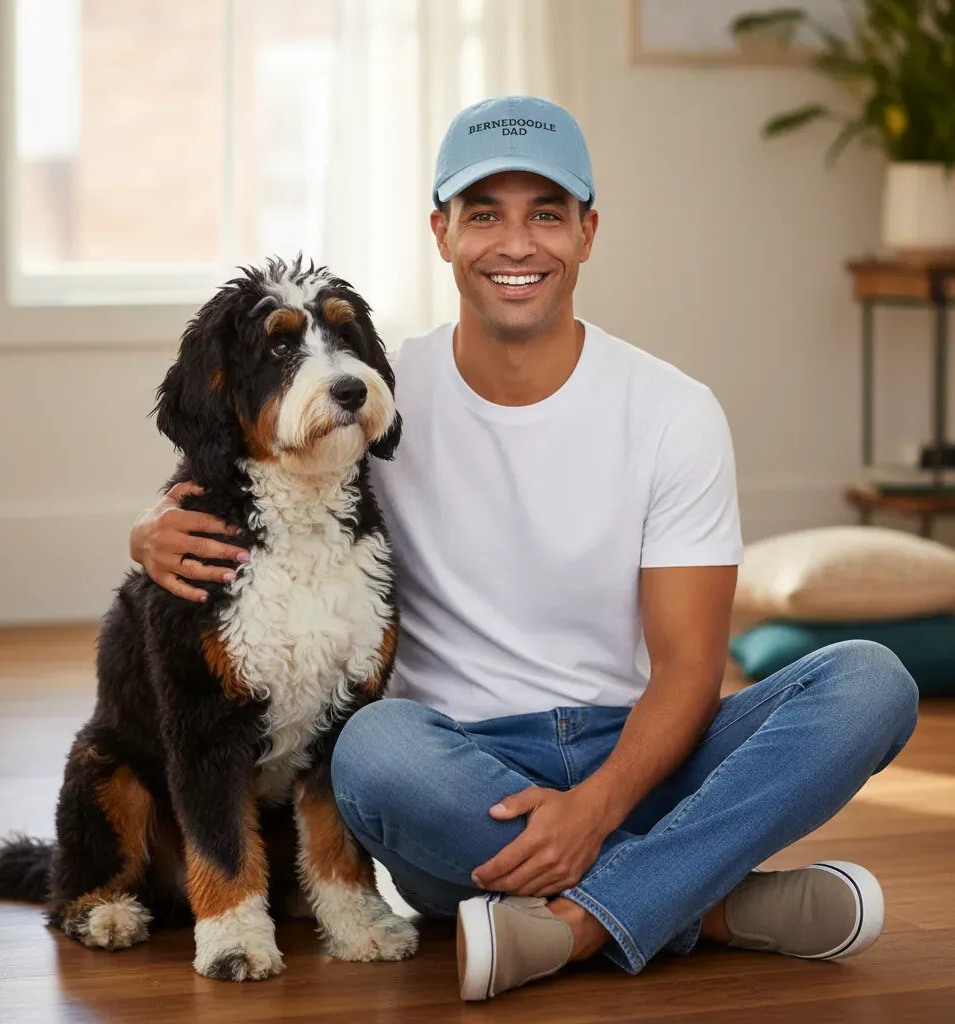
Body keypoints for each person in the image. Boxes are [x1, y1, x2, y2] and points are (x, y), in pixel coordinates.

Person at [130, 95, 919, 1001]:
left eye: (546, 214)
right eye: (484, 215)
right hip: (454, 786)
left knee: (870, 680)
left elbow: (691, 669)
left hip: (638, 754)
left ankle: (586, 919)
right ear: (442, 232)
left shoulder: (673, 411)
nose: (517, 245)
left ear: (588, 232)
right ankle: (711, 905)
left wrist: (597, 808)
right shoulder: (376, 392)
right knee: (371, 748)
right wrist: (147, 529)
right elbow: (250, 465)